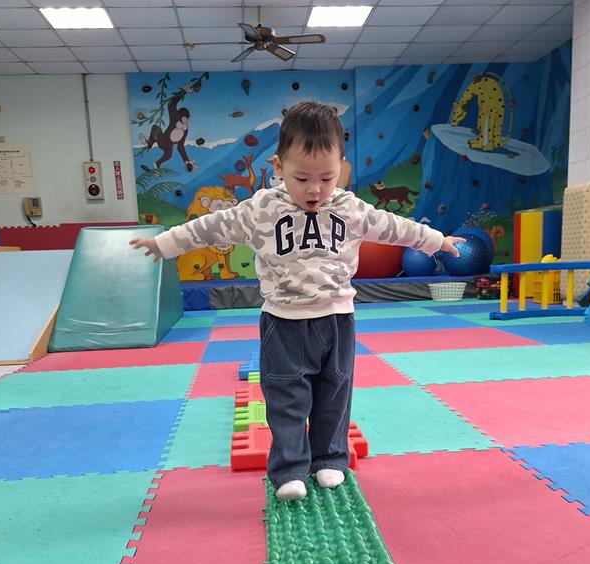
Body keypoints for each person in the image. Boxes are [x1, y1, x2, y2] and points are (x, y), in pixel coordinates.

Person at [131, 101, 462, 500]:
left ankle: (330, 459)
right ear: (279, 166)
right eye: (301, 177)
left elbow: (394, 227)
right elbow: (212, 226)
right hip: (283, 321)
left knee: (334, 393)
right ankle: (289, 469)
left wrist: (436, 241)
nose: (315, 189)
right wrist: (165, 243)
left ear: (341, 167)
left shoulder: (350, 208)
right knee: (286, 398)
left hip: (337, 319)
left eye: (327, 177)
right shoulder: (262, 209)